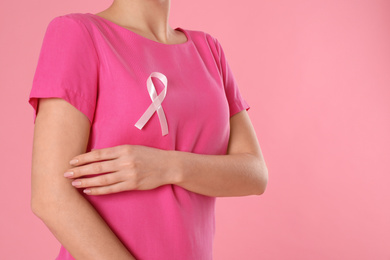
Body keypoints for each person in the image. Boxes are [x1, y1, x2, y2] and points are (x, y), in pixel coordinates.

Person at [28, 0, 268, 259]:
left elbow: (254, 174)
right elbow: (50, 196)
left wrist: (169, 166)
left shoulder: (209, 51)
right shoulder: (78, 33)